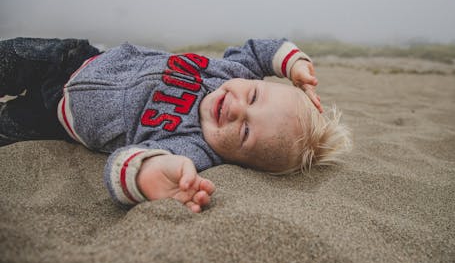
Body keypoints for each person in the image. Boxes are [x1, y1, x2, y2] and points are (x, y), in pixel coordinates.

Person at [0, 37, 351, 213]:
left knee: (8, 128)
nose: (238, 109)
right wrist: (294, 63)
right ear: (257, 81)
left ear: (241, 164)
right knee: (11, 57)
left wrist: (149, 172)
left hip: (59, 120)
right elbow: (260, 50)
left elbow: (126, 160)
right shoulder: (231, 72)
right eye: (255, 96)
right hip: (79, 58)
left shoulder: (194, 147)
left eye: (245, 132)